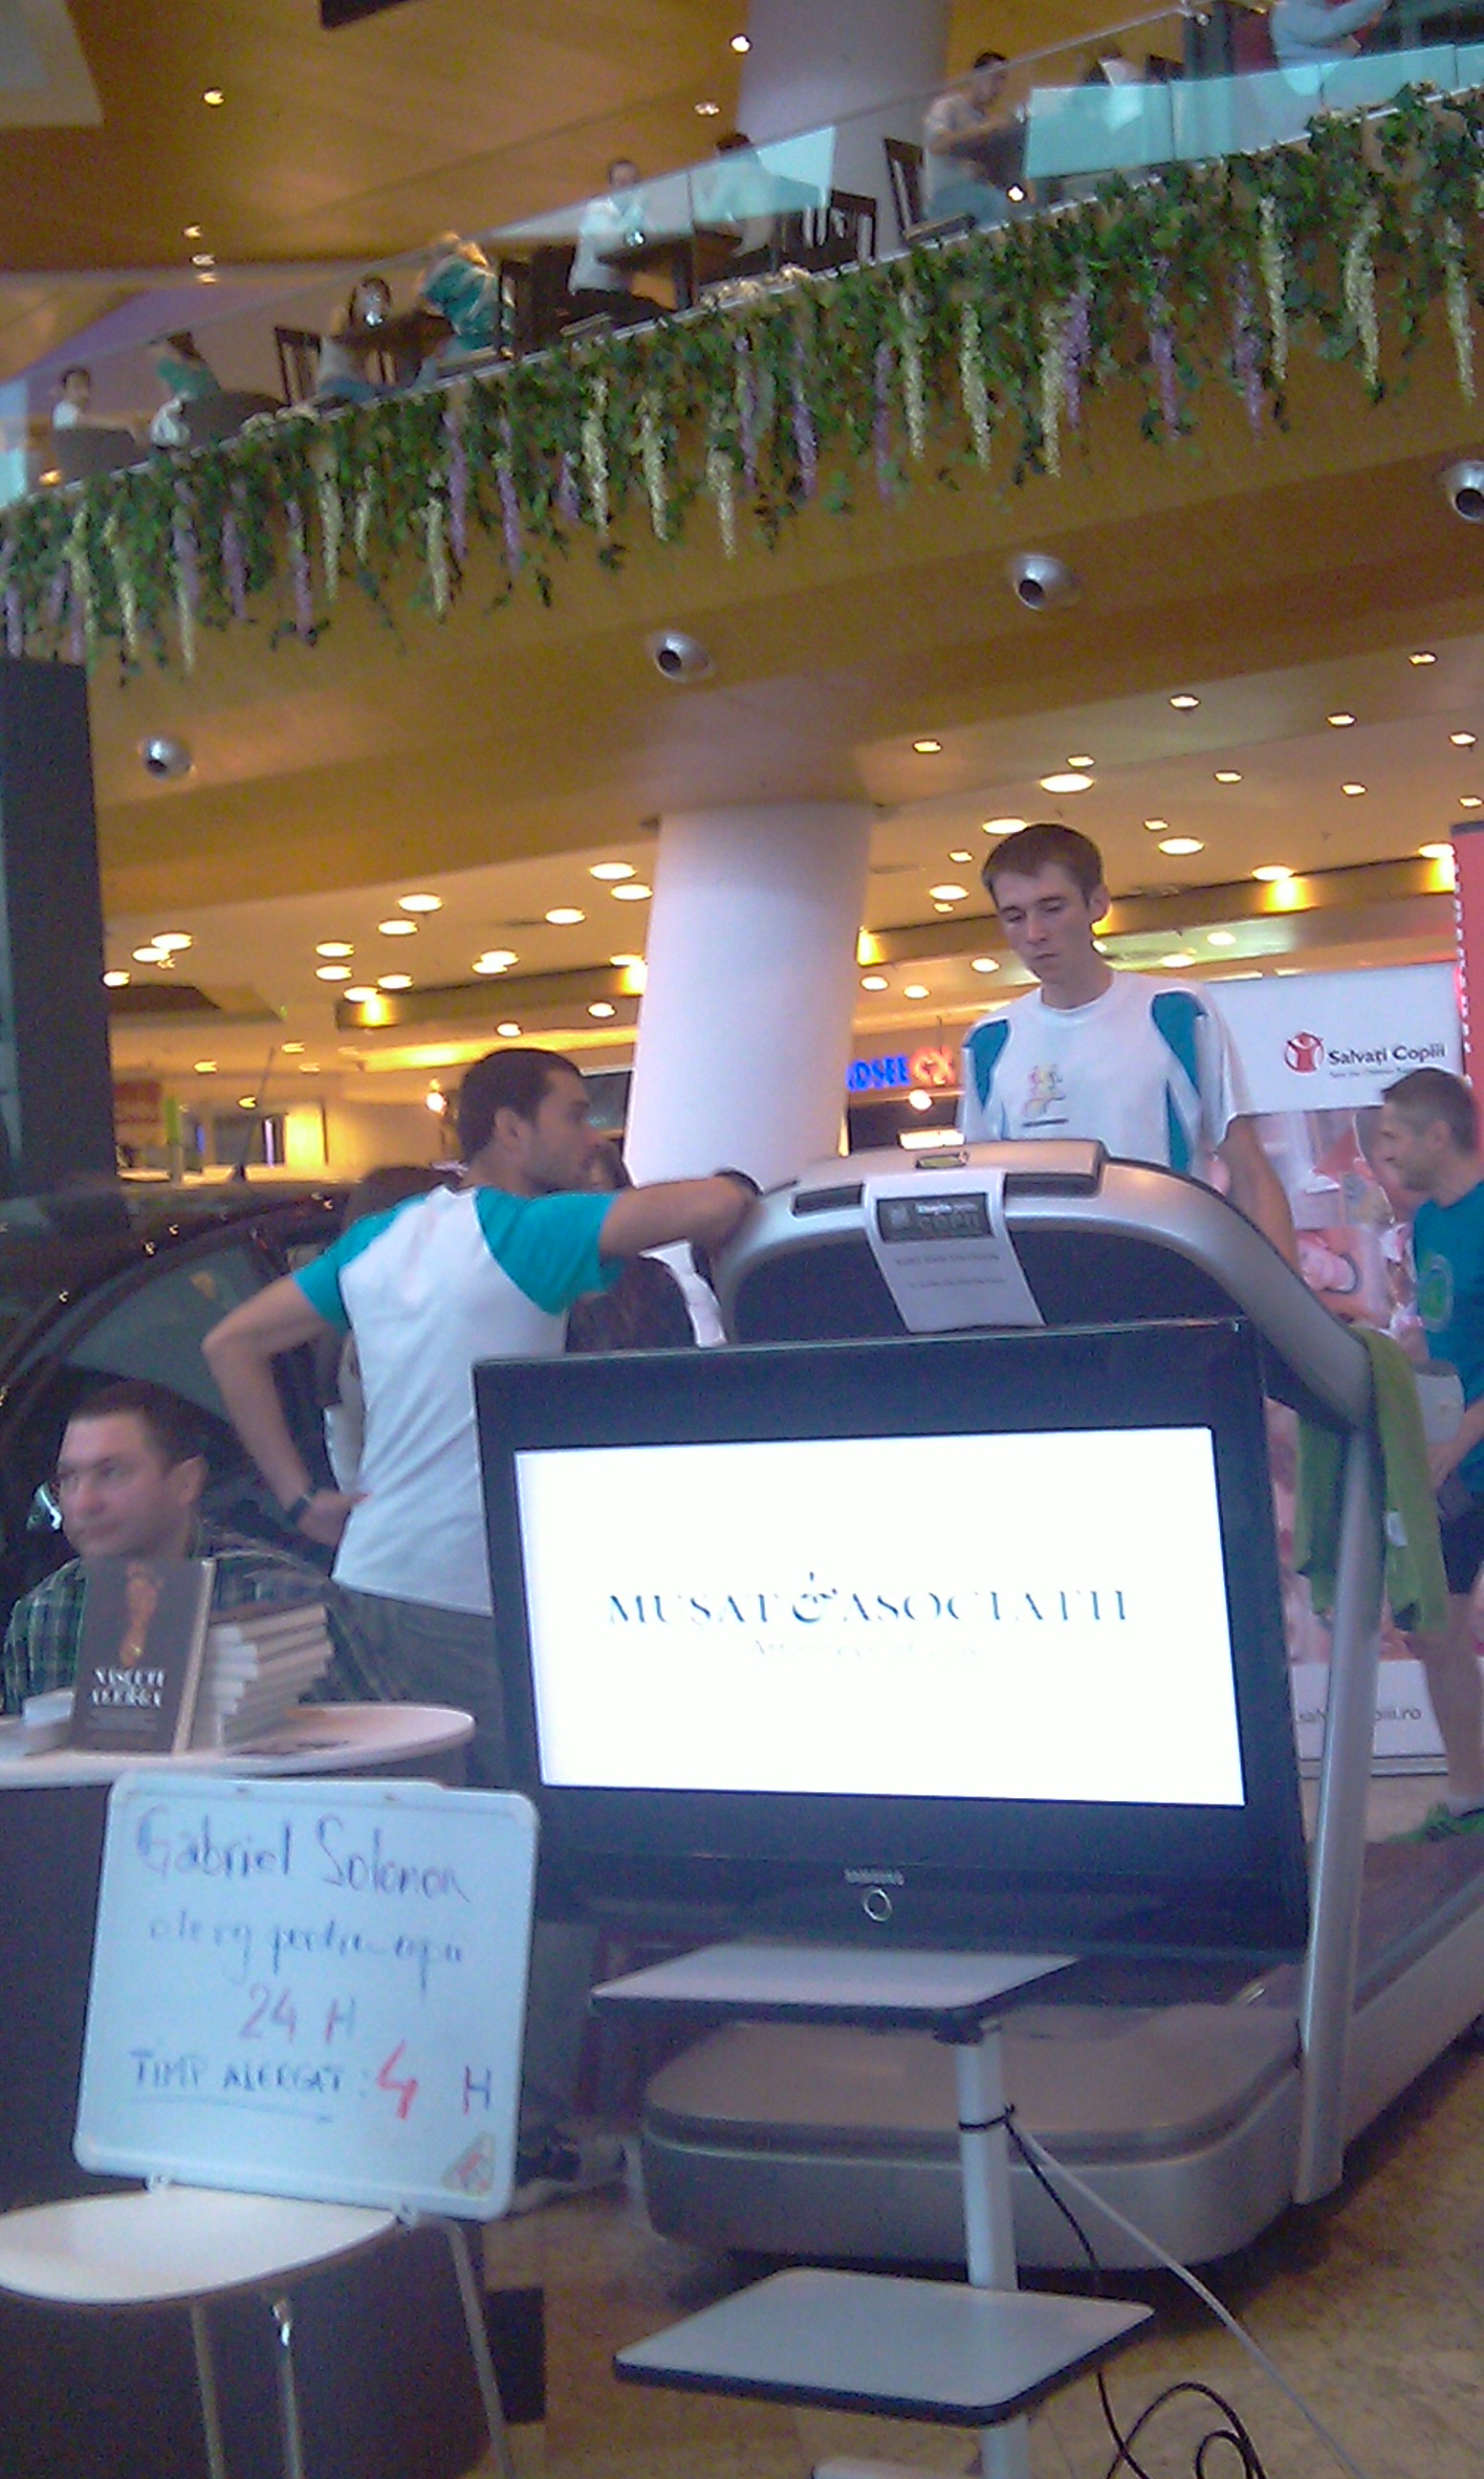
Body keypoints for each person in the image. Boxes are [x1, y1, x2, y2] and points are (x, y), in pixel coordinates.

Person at [202, 1049, 753, 2202]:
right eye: (572, 1114)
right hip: (472, 1598)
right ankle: (518, 2136)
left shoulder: (384, 1238)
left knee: (410, 1863)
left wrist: (301, 1499)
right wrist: (718, 1184)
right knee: (541, 1858)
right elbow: (712, 1207)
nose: (588, 1134)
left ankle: (391, 2117)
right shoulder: (525, 1231)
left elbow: (230, 1344)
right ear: (510, 1128)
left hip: (368, 1587)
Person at [961, 822, 1296, 1261]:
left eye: (1052, 908)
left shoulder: (1175, 1011)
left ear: (1097, 904)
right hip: (1048, 1281)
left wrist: (1285, 1297)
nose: (1034, 933)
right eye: (1014, 916)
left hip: (1168, 1271)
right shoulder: (988, 1042)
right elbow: (976, 1196)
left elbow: (1250, 1173)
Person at [2, 1377, 385, 1716]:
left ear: (185, 1483)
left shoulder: (285, 1599)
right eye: (68, 1480)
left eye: (111, 1473)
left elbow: (379, 1745)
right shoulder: (43, 1615)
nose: (84, 1503)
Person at [1373, 1067, 1484, 1833]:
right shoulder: (1429, 1225)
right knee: (1430, 1630)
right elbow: (1438, 1336)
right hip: (1457, 1463)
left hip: (1465, 1450)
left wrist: (1458, 1440)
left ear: (1437, 1136)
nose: (1384, 1153)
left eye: (1393, 1137)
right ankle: (1470, 1790)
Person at [923, 51, 1030, 229]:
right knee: (995, 204)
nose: (999, 87)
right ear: (976, 76)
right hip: (945, 195)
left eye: (1003, 80)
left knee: (1023, 209)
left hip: (979, 191)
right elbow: (937, 145)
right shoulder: (947, 106)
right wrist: (986, 129)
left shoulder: (986, 119)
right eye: (995, 78)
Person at [566, 157, 655, 327]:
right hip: (590, 295)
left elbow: (649, 240)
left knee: (656, 310)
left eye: (634, 183)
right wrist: (636, 210)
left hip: (617, 296)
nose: (628, 189)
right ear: (610, 187)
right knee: (649, 313)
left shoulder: (636, 217)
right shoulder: (596, 211)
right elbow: (611, 246)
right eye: (622, 183)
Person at [315, 274, 397, 407]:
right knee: (370, 397)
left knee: (394, 394)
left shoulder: (372, 326)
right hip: (334, 381)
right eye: (370, 297)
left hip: (358, 382)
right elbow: (338, 336)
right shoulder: (342, 314)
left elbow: (389, 345)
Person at [148, 331, 219, 449]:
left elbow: (170, 399)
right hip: (211, 411)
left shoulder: (165, 366)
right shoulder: (197, 362)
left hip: (193, 413)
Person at [1268, 0, 1389, 66]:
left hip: (1339, 75)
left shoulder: (1316, 6)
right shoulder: (1288, 9)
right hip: (1317, 88)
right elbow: (1330, 27)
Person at [51, 365, 94, 430]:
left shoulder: (80, 412)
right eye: (77, 386)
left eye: (85, 386)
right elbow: (83, 423)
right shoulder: (62, 409)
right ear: (64, 390)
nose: (82, 390)